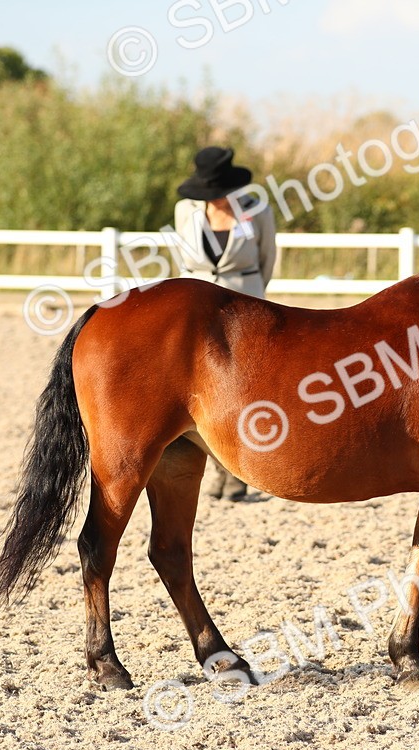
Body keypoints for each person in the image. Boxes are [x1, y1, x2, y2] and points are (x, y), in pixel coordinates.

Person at [173, 146, 277, 501]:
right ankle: (219, 470)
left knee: (242, 390)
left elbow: (267, 260)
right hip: (195, 310)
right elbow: (183, 259)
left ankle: (239, 470)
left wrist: (253, 297)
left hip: (243, 307)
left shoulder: (257, 210)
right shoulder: (185, 211)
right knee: (199, 392)